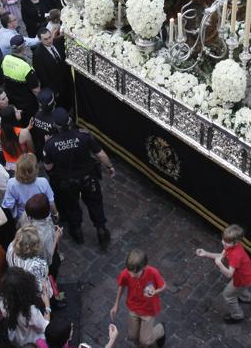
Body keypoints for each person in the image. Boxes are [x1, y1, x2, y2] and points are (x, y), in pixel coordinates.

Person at [42, 111, 114, 248]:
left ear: (56, 126)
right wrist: (109, 167)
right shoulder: (84, 136)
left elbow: (49, 167)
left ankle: (77, 232)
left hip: (68, 183)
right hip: (88, 179)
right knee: (95, 203)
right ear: (69, 122)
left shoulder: (50, 144)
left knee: (72, 206)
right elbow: (100, 154)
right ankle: (101, 231)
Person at [194, 224, 251, 324]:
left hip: (242, 279)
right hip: (248, 276)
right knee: (241, 289)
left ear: (236, 243)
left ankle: (237, 315)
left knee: (228, 295)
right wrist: (206, 253)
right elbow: (221, 256)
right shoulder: (231, 247)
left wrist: (220, 265)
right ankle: (246, 298)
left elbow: (229, 274)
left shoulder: (236, 255)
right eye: (223, 239)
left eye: (227, 242)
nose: (223, 242)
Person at [110, 248, 167, 348]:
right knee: (132, 336)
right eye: (129, 271)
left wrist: (155, 292)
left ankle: (161, 329)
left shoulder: (153, 272)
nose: (131, 275)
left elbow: (163, 286)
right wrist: (116, 304)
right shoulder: (127, 272)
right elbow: (122, 285)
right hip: (133, 308)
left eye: (135, 273)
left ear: (144, 267)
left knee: (145, 341)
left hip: (149, 310)